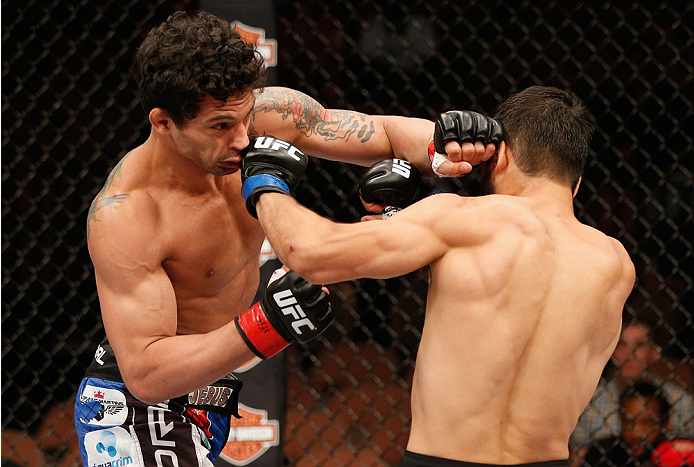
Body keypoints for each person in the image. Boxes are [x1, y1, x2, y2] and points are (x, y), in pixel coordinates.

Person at [74, 10, 491, 467]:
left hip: (211, 401)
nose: (241, 139)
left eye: (245, 118)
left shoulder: (262, 116)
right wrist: (268, 323)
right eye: (219, 126)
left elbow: (384, 132)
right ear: (163, 121)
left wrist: (445, 145)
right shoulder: (128, 213)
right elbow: (147, 373)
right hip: (134, 411)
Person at [244, 85, 637, 466]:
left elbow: (306, 252)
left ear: (500, 158)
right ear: (576, 181)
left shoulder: (459, 219)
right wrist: (421, 209)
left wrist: (265, 178)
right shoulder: (616, 265)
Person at [571, 321, 694, 452]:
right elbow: (576, 454)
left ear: (655, 352)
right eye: (622, 344)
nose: (629, 353)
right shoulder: (590, 400)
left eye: (639, 344)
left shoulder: (680, 401)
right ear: (611, 351)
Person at [581, 381, 694, 467]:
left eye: (647, 423)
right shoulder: (603, 451)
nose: (635, 433)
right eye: (628, 422)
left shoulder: (680, 452)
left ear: (665, 424)